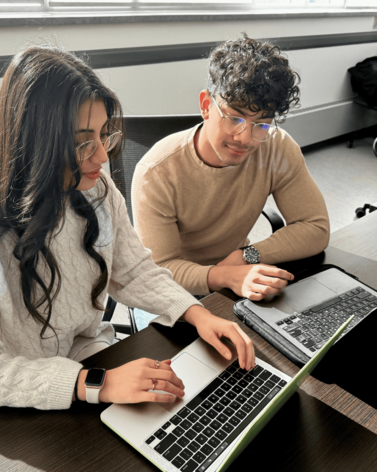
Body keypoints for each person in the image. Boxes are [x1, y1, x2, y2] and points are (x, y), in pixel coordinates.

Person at [0, 44, 254, 420]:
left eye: (104, 136)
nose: (103, 157)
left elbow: (133, 270)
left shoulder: (95, 186)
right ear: (33, 141)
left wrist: (196, 313)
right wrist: (95, 383)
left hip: (84, 358)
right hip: (1, 404)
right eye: (84, 141)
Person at [132, 34, 330, 300]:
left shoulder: (277, 146)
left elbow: (315, 228)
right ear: (206, 106)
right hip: (176, 289)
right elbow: (161, 268)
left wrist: (247, 256)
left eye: (261, 124)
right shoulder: (156, 172)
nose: (245, 139)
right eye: (234, 118)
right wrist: (223, 275)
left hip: (240, 274)